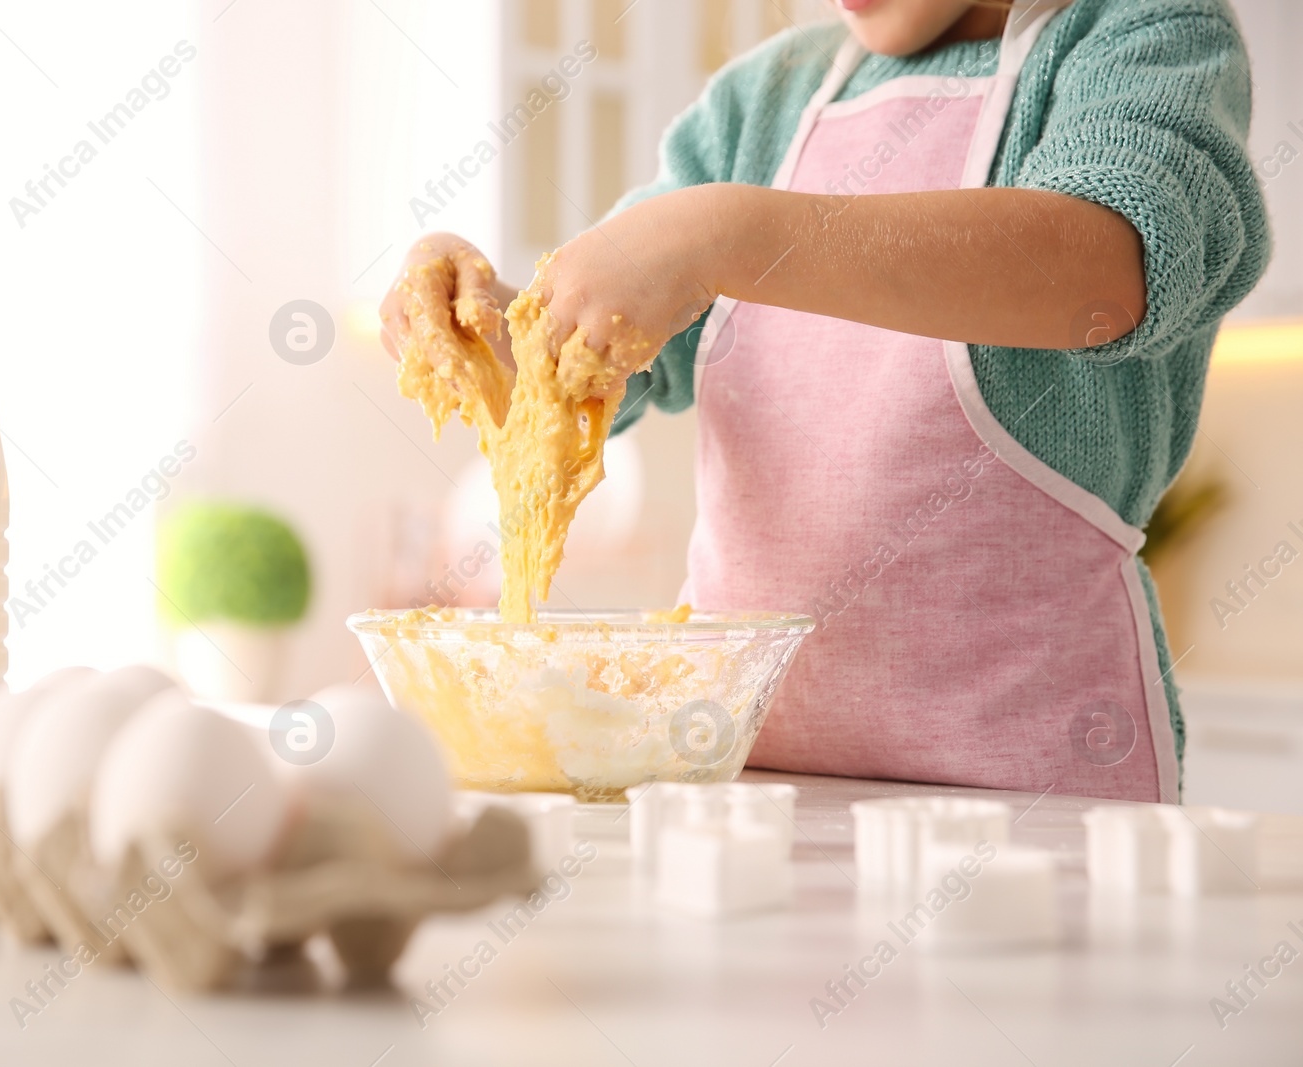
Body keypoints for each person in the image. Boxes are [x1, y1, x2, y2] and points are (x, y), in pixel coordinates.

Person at [378, 0, 1270, 803]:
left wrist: (721, 235)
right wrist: (476, 323)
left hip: (1042, 798)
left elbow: (1103, 267)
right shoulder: (762, 100)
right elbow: (588, 347)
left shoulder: (1139, 34)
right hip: (738, 780)